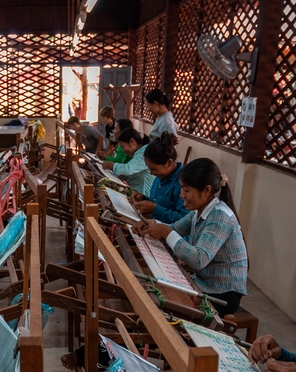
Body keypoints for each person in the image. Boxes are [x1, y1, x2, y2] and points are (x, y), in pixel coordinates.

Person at [134, 158, 248, 317]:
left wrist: (165, 232)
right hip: (203, 283)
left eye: (186, 190)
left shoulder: (220, 216)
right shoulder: (199, 212)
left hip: (223, 294)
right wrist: (151, 224)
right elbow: (174, 228)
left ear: (206, 190)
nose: (181, 195)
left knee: (164, 308)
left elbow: (199, 259)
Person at [131, 132, 187, 223]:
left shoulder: (184, 183)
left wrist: (154, 209)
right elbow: (159, 203)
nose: (151, 173)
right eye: (149, 168)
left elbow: (184, 220)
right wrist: (144, 198)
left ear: (169, 163)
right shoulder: (160, 176)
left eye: (154, 169)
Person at [102, 127, 155, 195]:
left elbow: (128, 169)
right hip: (138, 194)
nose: (123, 150)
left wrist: (111, 165)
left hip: (144, 196)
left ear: (132, 141)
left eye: (123, 146)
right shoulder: (139, 152)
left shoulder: (144, 152)